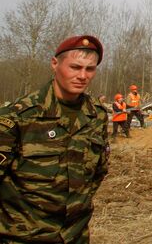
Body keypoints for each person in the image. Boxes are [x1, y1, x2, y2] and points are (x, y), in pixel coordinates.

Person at [0, 35, 109, 243]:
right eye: (75, 67)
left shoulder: (96, 116)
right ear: (54, 64)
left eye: (90, 69)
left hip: (75, 236)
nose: (82, 76)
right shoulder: (18, 117)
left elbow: (98, 172)